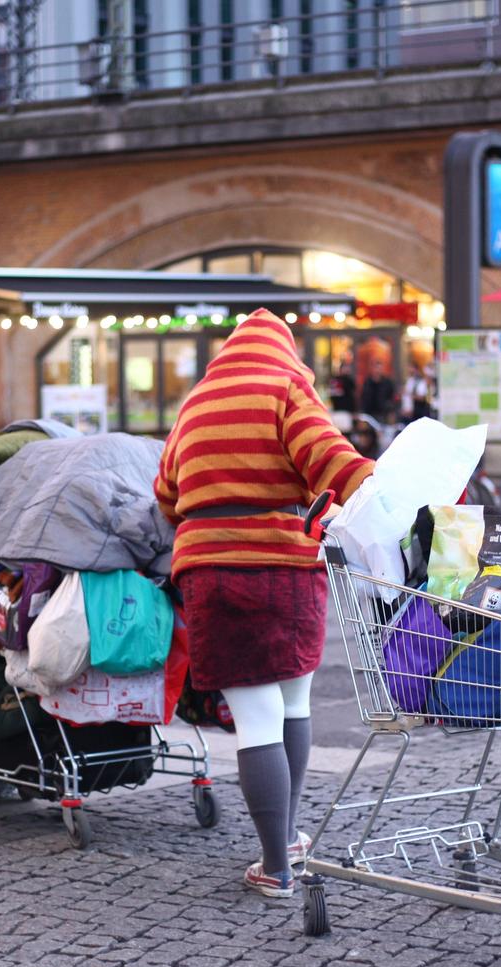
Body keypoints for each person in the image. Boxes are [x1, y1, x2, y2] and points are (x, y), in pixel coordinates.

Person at [155, 309, 374, 899]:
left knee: (255, 719)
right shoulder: (286, 389)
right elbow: (332, 463)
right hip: (286, 570)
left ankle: (278, 857)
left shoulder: (195, 403)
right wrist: (397, 494)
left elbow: (166, 493)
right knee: (293, 702)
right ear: (286, 350)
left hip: (212, 573)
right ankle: (281, 855)